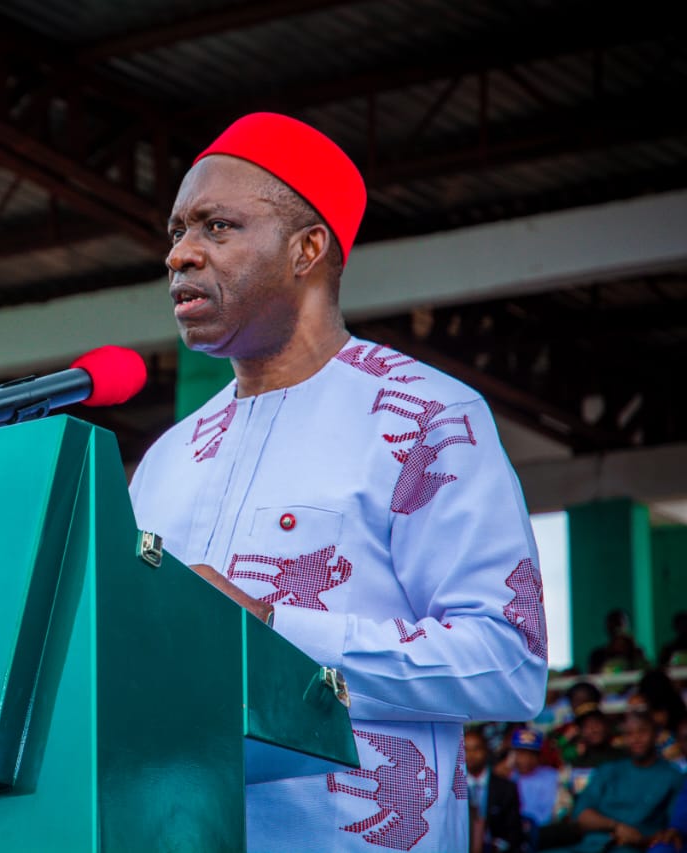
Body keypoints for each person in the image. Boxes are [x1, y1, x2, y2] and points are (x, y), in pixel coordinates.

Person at [129, 111, 549, 851]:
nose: (181, 255)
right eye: (175, 233)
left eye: (216, 227)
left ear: (307, 249)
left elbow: (507, 661)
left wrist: (273, 630)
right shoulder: (166, 458)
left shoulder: (426, 417)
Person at [563, 712, 683, 853]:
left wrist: (642, 840)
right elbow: (582, 815)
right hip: (592, 845)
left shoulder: (672, 776)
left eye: (642, 731)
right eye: (629, 734)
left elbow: (674, 829)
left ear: (656, 735)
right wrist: (616, 826)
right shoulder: (608, 770)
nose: (636, 739)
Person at [466, 728, 524, 853]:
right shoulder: (451, 789)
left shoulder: (506, 787)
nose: (471, 755)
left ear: (486, 751)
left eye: (476, 749)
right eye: (465, 750)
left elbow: (514, 831)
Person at [587, 609, 649, 674]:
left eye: (622, 623)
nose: (618, 629)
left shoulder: (638, 653)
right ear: (608, 627)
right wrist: (609, 654)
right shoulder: (598, 655)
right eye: (614, 624)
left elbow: (645, 671)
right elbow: (595, 676)